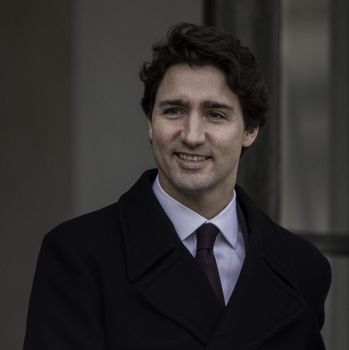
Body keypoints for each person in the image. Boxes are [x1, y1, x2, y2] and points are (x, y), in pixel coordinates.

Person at [23, 23, 331, 350]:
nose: (192, 135)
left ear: (250, 129)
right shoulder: (77, 256)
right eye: (174, 111)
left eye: (215, 114)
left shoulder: (302, 269)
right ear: (150, 124)